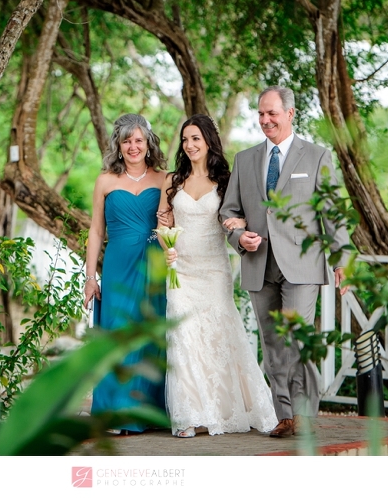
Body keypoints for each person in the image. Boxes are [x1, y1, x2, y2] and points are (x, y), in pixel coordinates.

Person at [219, 86, 352, 438]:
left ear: (290, 114)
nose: (265, 120)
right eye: (261, 114)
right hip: (259, 263)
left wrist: (343, 259)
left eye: (272, 113)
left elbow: (333, 213)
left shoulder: (318, 157)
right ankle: (285, 415)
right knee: (273, 343)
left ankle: (305, 412)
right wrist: (238, 237)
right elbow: (229, 211)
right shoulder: (244, 160)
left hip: (303, 263)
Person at [156, 114, 278, 438]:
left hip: (213, 270)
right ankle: (188, 416)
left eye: (195, 138)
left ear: (208, 140)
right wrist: (165, 243)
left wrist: (240, 229)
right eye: (185, 139)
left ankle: (225, 410)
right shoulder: (173, 180)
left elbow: (235, 216)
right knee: (182, 338)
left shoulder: (226, 179)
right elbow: (164, 223)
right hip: (180, 271)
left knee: (218, 336)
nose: (189, 145)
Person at [84, 113, 168, 434]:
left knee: (150, 334)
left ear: (148, 144)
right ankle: (115, 413)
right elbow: (95, 231)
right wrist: (91, 277)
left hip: (153, 262)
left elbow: (172, 222)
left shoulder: (164, 179)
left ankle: (148, 412)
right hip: (118, 264)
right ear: (118, 146)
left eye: (139, 140)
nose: (133, 146)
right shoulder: (105, 181)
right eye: (126, 141)